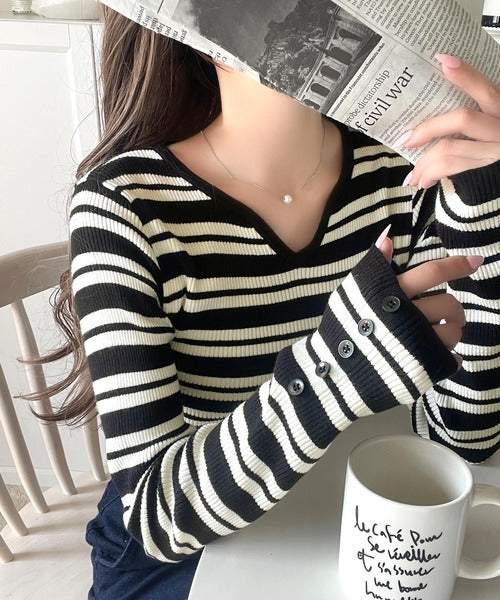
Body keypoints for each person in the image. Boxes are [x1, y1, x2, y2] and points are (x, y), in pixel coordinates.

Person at [31, 6, 499, 600]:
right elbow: (155, 516)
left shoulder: (404, 176)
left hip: (347, 518)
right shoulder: (123, 203)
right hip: (190, 551)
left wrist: (487, 221)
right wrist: (340, 365)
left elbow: (462, 438)